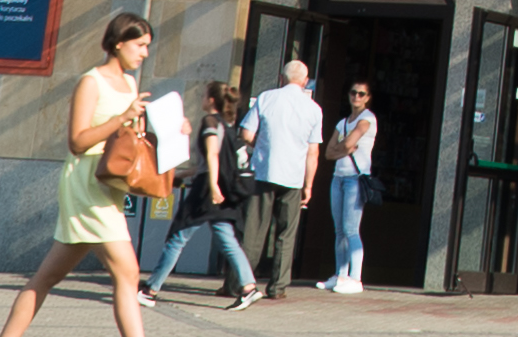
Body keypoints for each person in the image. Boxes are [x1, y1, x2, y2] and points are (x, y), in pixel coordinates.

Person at [0, 11, 183, 337]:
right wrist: (122, 117)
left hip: (107, 187)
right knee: (127, 273)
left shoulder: (129, 82)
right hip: (85, 185)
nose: (144, 53)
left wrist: (171, 130)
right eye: (140, 45)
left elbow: (128, 138)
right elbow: (77, 141)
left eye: (147, 46)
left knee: (47, 277)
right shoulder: (91, 82)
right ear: (118, 42)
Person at [139, 80, 257, 308]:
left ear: (211, 100)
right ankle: (249, 286)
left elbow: (212, 156)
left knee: (177, 237)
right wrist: (182, 175)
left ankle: (150, 290)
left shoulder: (210, 122)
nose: (201, 98)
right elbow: (206, 163)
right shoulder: (226, 125)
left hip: (207, 191)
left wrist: (212, 186)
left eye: (204, 95)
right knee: (226, 237)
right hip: (221, 189)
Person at [237, 58, 323, 301]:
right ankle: (278, 287)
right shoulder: (314, 109)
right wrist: (309, 185)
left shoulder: (266, 98)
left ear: (281, 78)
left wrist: (261, 146)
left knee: (254, 231)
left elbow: (246, 133)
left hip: (265, 172)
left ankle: (241, 283)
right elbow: (313, 152)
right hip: (293, 177)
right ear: (305, 81)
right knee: (286, 234)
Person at [323, 78, 378, 293]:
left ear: (367, 98)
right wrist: (344, 149)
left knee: (351, 229)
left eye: (361, 94)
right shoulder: (343, 122)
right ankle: (341, 275)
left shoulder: (367, 119)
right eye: (353, 92)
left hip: (355, 178)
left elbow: (347, 142)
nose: (356, 96)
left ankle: (356, 279)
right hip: (338, 177)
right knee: (339, 229)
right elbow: (329, 153)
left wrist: (343, 147)